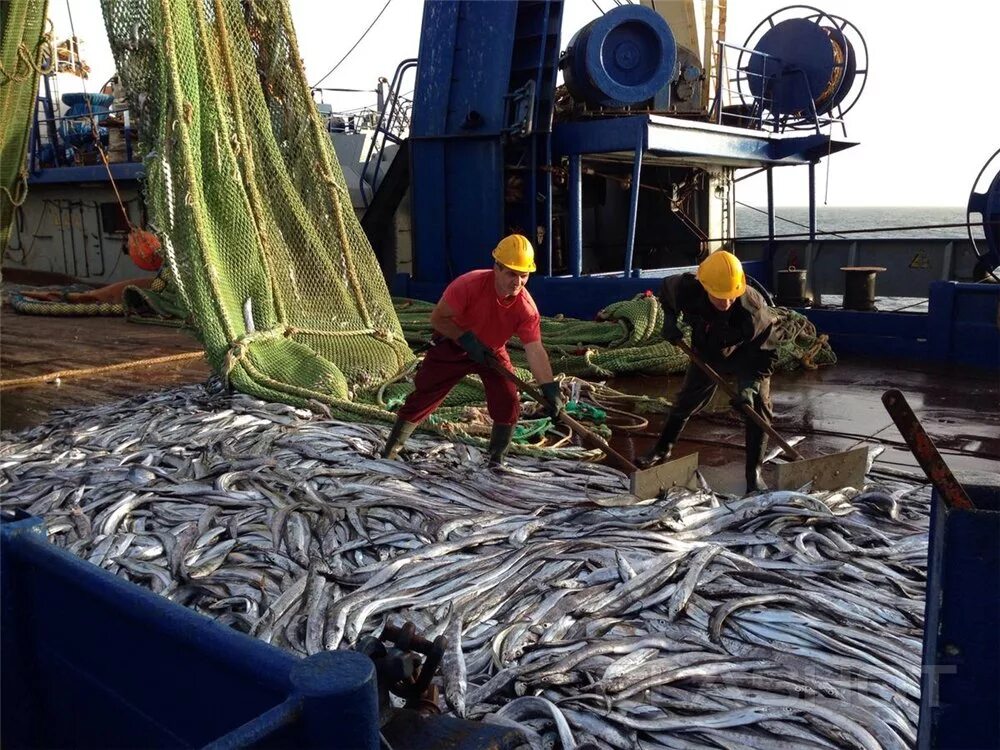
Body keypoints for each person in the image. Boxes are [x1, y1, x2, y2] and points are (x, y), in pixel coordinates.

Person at [381, 234, 565, 466]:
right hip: (453, 344)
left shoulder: (526, 309)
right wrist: (465, 339)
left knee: (508, 400)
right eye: (511, 273)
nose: (517, 282)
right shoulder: (469, 285)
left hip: (491, 352)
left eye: (524, 275)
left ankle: (497, 460)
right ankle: (390, 451)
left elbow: (534, 349)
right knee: (425, 393)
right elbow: (438, 319)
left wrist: (548, 388)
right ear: (496, 268)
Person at [638, 250, 779, 494]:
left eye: (730, 298)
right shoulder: (686, 288)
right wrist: (669, 320)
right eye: (718, 297)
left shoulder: (754, 311)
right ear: (704, 287)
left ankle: (753, 473)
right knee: (687, 401)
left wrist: (749, 386)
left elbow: (765, 354)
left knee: (758, 410)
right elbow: (666, 293)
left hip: (747, 356)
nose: (725, 303)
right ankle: (663, 448)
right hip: (707, 350)